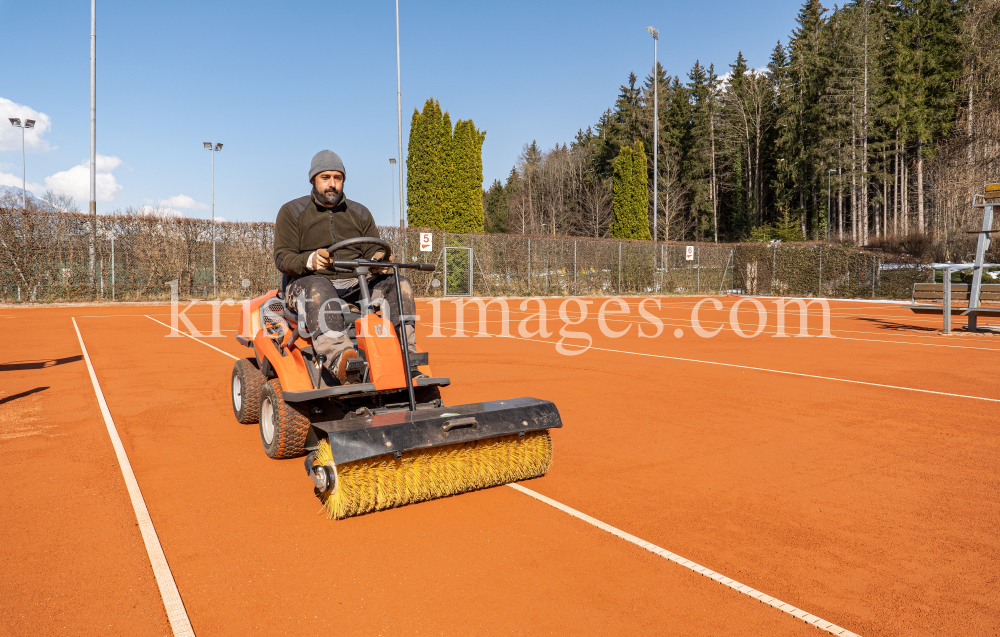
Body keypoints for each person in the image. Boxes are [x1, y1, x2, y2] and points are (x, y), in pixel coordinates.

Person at [273, 150, 416, 383]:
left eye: (337, 178)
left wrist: (379, 261)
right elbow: (282, 258)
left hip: (354, 285)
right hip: (306, 285)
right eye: (325, 177)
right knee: (320, 287)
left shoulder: (359, 213)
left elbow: (372, 250)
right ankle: (340, 358)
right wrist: (309, 261)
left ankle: (406, 352)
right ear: (313, 180)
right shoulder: (292, 212)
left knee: (399, 284)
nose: (332, 184)